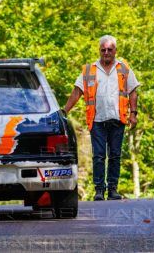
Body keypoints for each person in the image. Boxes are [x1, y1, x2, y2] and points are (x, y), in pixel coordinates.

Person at [62, 35, 139, 200]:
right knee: (98, 156)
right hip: (97, 120)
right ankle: (99, 190)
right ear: (99, 51)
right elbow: (77, 91)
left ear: (115, 51)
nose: (106, 53)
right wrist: (65, 111)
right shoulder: (90, 70)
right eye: (103, 50)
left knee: (115, 156)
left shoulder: (124, 69)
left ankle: (113, 189)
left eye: (109, 50)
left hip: (118, 119)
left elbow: (133, 91)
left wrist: (133, 113)